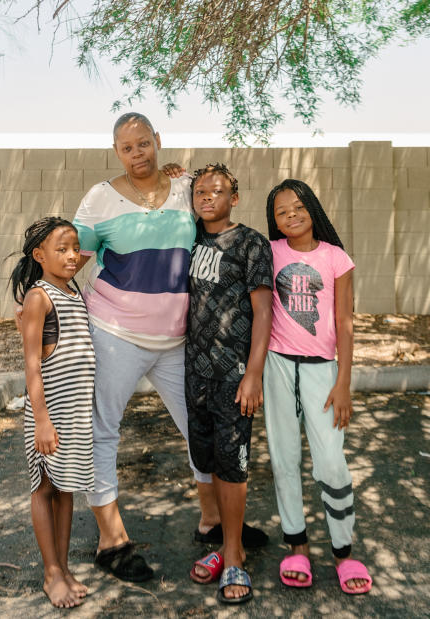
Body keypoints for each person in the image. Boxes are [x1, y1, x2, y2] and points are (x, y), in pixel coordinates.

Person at [69, 112, 267, 582]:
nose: (137, 153)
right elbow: (69, 255)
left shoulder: (185, 190)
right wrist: (39, 297)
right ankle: (111, 540)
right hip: (115, 331)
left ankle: (213, 522)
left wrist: (183, 173)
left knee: (200, 429)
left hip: (178, 340)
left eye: (144, 143)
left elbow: (213, 224)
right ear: (116, 151)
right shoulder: (101, 198)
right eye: (126, 147)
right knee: (103, 431)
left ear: (158, 141)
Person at [263, 179, 372, 595]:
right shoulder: (270, 253)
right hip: (277, 366)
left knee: (330, 461)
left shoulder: (336, 258)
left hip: (323, 371)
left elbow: (344, 322)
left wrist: (344, 381)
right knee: (284, 458)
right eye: (281, 212)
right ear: (273, 221)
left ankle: (343, 551)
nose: (291, 216)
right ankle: (297, 545)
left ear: (312, 206)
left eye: (297, 207)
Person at [183, 164, 272, 605]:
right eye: (199, 191)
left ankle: (234, 554)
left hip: (234, 375)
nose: (206, 197)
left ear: (233, 198)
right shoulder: (189, 237)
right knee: (209, 457)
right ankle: (221, 542)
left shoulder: (251, 243)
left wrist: (253, 373)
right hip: (194, 373)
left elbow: (263, 313)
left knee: (234, 463)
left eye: (216, 191)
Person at [9, 217, 96, 608]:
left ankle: (63, 566)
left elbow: (85, 254)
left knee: (66, 488)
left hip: (75, 413)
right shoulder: (39, 297)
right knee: (45, 488)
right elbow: (32, 365)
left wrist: (72, 251)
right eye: (61, 250)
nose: (73, 255)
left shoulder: (73, 292)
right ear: (39, 256)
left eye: (75, 248)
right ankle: (50, 573)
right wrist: (41, 419)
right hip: (49, 413)